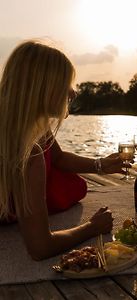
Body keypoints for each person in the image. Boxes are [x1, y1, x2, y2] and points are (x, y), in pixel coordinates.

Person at [0, 40, 127, 260]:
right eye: (66, 83)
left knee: (71, 184)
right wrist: (91, 227)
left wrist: (100, 165)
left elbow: (57, 157)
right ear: (44, 88)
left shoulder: (24, 121)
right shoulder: (30, 153)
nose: (73, 92)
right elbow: (40, 248)